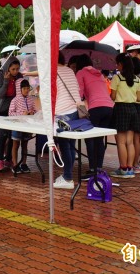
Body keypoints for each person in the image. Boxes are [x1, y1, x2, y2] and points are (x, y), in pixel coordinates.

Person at [75, 54, 114, 176]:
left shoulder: (81, 73)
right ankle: (98, 167)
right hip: (109, 108)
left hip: (96, 108)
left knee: (90, 138)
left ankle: (92, 168)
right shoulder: (99, 73)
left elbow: (79, 93)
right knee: (99, 138)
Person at [109, 54, 140, 179]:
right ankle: (129, 169)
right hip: (133, 109)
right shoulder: (137, 79)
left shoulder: (117, 78)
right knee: (130, 142)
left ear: (121, 65)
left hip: (120, 109)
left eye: (117, 64)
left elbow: (112, 97)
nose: (116, 66)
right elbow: (139, 98)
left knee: (121, 143)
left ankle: (123, 168)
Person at [53, 54, 83, 189]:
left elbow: (52, 95)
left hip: (62, 113)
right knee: (71, 145)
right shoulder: (70, 71)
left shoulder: (53, 72)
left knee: (65, 146)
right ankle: (67, 175)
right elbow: (77, 90)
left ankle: (68, 177)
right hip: (75, 111)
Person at [0, 58, 23, 170]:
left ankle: (9, 159)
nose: (15, 71)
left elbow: (22, 92)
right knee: (3, 135)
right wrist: (6, 82)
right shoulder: (0, 76)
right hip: (2, 110)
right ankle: (0, 160)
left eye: (17, 69)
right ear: (7, 68)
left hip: (14, 110)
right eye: (13, 69)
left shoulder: (19, 77)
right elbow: (0, 94)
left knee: (11, 135)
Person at [7, 79, 37, 174]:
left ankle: (23, 164)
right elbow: (10, 113)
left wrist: (32, 113)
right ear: (19, 89)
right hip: (17, 126)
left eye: (28, 88)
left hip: (27, 126)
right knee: (16, 145)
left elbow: (35, 111)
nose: (26, 90)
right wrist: (21, 114)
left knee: (25, 145)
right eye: (24, 88)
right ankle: (15, 165)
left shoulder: (31, 100)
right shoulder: (15, 100)